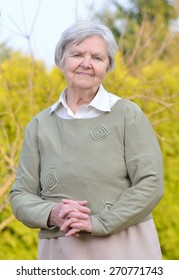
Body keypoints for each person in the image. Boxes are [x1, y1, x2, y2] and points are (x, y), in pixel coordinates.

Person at [10, 21, 164, 260]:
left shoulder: (126, 115)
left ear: (107, 66)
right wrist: (53, 213)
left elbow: (150, 183)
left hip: (125, 247)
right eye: (77, 54)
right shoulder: (40, 125)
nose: (86, 63)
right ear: (61, 59)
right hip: (61, 250)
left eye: (97, 57)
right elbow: (21, 196)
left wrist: (98, 222)